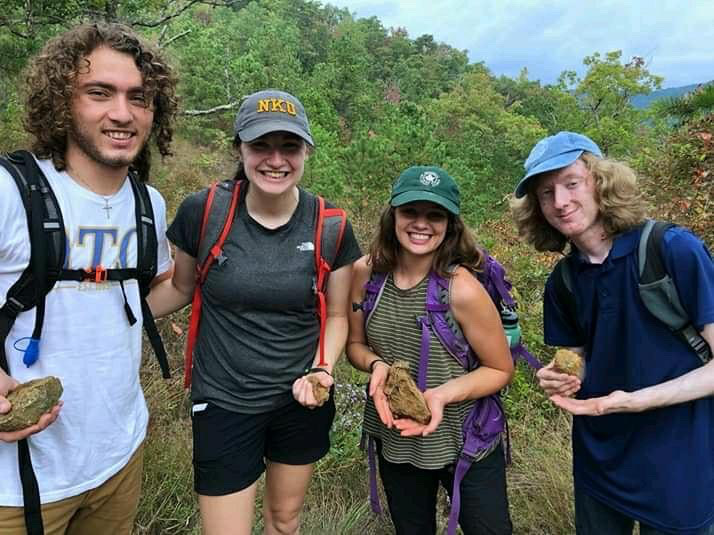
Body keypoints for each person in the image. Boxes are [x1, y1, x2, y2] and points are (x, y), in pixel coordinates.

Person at [147, 89, 361, 535]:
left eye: (289, 146)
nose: (275, 159)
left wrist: (323, 369)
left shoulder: (331, 226)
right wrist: (113, 315)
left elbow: (338, 316)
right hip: (224, 399)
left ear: (305, 152)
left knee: (284, 521)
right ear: (239, 148)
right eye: (260, 145)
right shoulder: (205, 212)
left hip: (301, 398)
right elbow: (181, 287)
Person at [0, 22, 177, 535]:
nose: (122, 113)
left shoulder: (148, 204)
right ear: (62, 100)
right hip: (19, 485)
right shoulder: (13, 193)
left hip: (119, 456)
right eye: (100, 93)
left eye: (139, 98)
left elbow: (135, 299)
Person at [510, 131, 714, 535]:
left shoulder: (671, 249)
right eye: (546, 193)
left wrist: (637, 401)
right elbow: (580, 359)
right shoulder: (563, 282)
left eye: (572, 183)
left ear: (601, 181)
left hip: (679, 460)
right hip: (600, 462)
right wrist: (564, 376)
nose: (561, 202)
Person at [346, 165, 514, 535]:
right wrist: (376, 365)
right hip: (396, 436)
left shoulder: (462, 290)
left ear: (450, 225)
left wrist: (440, 395)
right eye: (410, 212)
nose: (421, 224)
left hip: (464, 439)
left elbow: (500, 368)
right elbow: (355, 345)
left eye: (435, 215)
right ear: (392, 216)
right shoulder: (366, 274)